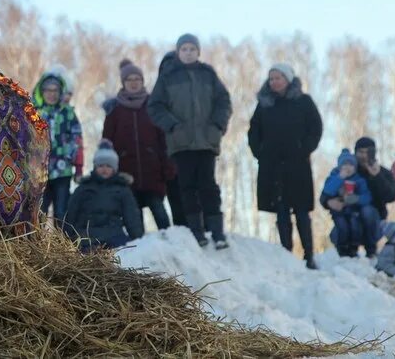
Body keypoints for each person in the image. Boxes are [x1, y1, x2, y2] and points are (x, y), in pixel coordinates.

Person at [148, 34, 232, 249]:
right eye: (184, 49)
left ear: (198, 51)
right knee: (187, 187)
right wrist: (173, 126)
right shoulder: (168, 76)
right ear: (178, 52)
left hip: (206, 141)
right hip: (181, 143)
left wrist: (217, 126)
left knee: (209, 186)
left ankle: (217, 231)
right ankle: (196, 231)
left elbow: (223, 101)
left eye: (192, 49)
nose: (188, 52)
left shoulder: (207, 74)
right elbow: (155, 106)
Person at [247, 64, 323, 269]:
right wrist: (260, 152)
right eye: (271, 78)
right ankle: (286, 254)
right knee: (280, 210)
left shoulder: (303, 101)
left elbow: (316, 127)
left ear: (288, 79)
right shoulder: (264, 104)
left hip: (297, 164)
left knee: (301, 211)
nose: (274, 82)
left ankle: (309, 255)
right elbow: (254, 131)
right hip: (272, 166)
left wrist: (304, 147)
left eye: (278, 78)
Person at [101, 59, 175, 231]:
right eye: (129, 80)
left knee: (160, 215)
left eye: (137, 79)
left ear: (142, 81)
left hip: (153, 172)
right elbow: (106, 143)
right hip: (126, 174)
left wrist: (167, 166)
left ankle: (171, 246)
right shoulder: (115, 110)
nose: (133, 83)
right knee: (134, 221)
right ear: (123, 83)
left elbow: (164, 139)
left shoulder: (153, 105)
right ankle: (139, 253)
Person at [64, 140, 143, 251]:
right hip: (87, 237)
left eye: (108, 166)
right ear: (95, 167)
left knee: (125, 254)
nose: (104, 169)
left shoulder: (122, 190)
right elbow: (71, 215)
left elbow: (132, 217)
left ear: (114, 169)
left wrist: (138, 239)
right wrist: (66, 238)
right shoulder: (83, 189)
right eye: (101, 165)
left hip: (114, 236)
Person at [31, 69, 84, 226]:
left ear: (60, 92)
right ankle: (36, 245)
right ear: (42, 91)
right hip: (39, 171)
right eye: (48, 90)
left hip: (63, 170)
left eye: (55, 90)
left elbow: (77, 139)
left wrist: (78, 167)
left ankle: (62, 245)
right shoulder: (34, 112)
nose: (52, 94)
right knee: (39, 210)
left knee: (62, 212)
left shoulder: (67, 113)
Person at [320, 149, 379, 257]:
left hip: (354, 210)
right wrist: (340, 178)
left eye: (351, 164)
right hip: (339, 212)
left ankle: (353, 248)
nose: (347, 167)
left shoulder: (359, 180)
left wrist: (356, 199)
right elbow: (327, 191)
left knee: (354, 226)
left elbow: (367, 196)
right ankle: (342, 249)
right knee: (342, 227)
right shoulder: (334, 177)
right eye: (344, 164)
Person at [353, 136, 395, 221]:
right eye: (361, 152)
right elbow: (326, 195)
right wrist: (329, 200)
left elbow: (391, 196)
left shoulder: (383, 173)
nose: (363, 156)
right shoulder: (347, 171)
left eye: (367, 152)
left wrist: (377, 176)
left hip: (376, 219)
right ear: (355, 152)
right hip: (350, 218)